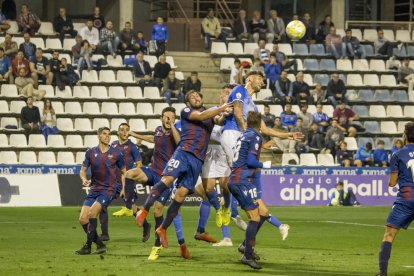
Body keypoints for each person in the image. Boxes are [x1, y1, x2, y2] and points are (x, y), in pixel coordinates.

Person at [134, 91, 232, 252]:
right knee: (167, 180)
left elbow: (219, 120)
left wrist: (225, 113)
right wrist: (222, 107)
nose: (196, 98)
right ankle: (144, 211)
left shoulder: (209, 113)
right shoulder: (186, 112)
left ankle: (163, 228)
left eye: (198, 96)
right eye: (192, 97)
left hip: (197, 161)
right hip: (184, 152)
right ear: (187, 102)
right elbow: (201, 117)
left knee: (180, 196)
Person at [221, 71, 302, 229]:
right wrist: (248, 135)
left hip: (241, 136)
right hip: (232, 133)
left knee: (242, 174)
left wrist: (287, 135)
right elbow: (238, 113)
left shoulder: (253, 105)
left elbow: (264, 129)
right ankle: (233, 211)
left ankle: (235, 209)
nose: (262, 82)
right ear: (249, 79)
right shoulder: (239, 90)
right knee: (241, 173)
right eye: (259, 79)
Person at [126, 107, 189, 260]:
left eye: (172, 117)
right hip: (153, 171)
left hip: (166, 176)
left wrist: (172, 125)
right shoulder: (158, 130)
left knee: (157, 211)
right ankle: (129, 206)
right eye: (167, 117)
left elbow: (179, 141)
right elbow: (153, 139)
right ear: (161, 118)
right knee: (129, 174)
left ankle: (156, 246)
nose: (169, 119)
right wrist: (134, 134)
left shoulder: (176, 132)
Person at [228, 111, 287, 270]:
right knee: (254, 218)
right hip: (242, 181)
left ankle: (246, 247)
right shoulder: (254, 136)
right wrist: (264, 165)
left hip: (239, 179)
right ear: (260, 124)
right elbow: (251, 161)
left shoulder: (244, 134)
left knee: (262, 212)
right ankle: (247, 255)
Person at [194, 86, 234, 247]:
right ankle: (219, 209)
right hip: (208, 152)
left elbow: (223, 123)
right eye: (223, 92)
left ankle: (227, 212)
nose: (224, 95)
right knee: (208, 188)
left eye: (228, 93)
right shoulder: (211, 111)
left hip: (223, 151)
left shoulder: (232, 116)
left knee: (227, 186)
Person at [76, 127, 126, 255]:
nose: (107, 136)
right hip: (94, 189)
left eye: (109, 134)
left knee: (92, 213)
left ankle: (88, 246)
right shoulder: (91, 152)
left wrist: (124, 188)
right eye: (104, 134)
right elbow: (82, 170)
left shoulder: (116, 153)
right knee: (82, 219)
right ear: (98, 136)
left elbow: (124, 172)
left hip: (109, 189)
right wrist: (83, 178)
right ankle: (99, 244)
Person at [376, 122, 414, 276]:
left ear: (404, 136)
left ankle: (383, 272)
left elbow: (392, 183)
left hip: (406, 199)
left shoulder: (398, 154)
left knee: (389, 235)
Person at [107, 123, 146, 241]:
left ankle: (146, 225)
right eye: (122, 130)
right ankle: (103, 233)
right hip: (113, 180)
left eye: (127, 130)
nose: (124, 132)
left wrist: (133, 175)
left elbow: (139, 164)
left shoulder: (132, 147)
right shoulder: (113, 145)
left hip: (126, 181)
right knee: (102, 203)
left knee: (133, 209)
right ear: (118, 132)